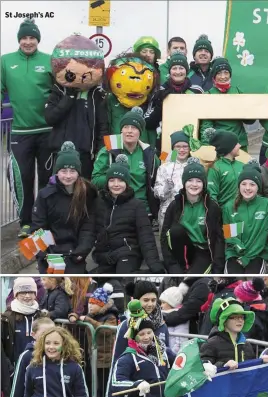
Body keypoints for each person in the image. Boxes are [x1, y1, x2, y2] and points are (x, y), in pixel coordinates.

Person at [2, 19, 53, 238]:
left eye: (32, 38)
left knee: (47, 177)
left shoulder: (49, 60)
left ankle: (43, 221)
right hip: (20, 132)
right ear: (19, 40)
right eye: (24, 38)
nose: (28, 42)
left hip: (47, 130)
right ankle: (25, 222)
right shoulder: (5, 61)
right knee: (21, 177)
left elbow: (60, 90)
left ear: (38, 40)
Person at [88, 154, 165, 273]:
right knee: (98, 282)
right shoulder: (99, 203)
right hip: (105, 255)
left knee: (121, 280)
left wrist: (155, 265)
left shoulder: (137, 205)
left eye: (120, 180)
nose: (116, 184)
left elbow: (146, 237)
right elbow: (90, 231)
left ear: (127, 183)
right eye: (112, 180)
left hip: (128, 253)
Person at [44, 41, 108, 180]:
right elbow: (50, 118)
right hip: (61, 153)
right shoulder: (58, 91)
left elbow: (103, 127)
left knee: (84, 192)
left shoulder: (97, 95)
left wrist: (101, 152)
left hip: (86, 154)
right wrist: (69, 97)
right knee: (61, 192)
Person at [31, 142, 96, 273]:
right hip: (51, 252)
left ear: (78, 173)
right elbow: (38, 227)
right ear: (57, 172)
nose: (67, 176)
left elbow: (88, 227)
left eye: (72, 171)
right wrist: (45, 255)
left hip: (74, 252)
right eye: (63, 171)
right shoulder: (45, 195)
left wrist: (82, 250)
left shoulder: (86, 193)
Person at [160, 157, 225, 274]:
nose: (194, 185)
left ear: (204, 183)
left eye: (199, 181)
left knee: (190, 281)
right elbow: (164, 237)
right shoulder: (175, 205)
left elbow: (219, 239)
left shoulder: (212, 207)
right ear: (184, 182)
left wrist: (218, 267)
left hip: (203, 251)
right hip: (181, 251)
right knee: (175, 231)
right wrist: (171, 264)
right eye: (190, 180)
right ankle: (182, 268)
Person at [91, 107, 160, 217]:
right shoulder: (109, 150)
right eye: (125, 127)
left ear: (140, 132)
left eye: (134, 127)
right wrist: (114, 176)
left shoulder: (149, 154)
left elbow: (156, 183)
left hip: (143, 210)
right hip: (115, 207)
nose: (129, 131)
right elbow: (95, 180)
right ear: (121, 130)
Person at [223, 160, 268, 274]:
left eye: (252, 184)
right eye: (244, 184)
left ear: (258, 187)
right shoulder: (229, 206)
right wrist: (240, 251)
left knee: (252, 282)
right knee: (232, 282)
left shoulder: (265, 204)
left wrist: (247, 257)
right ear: (239, 185)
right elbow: (230, 235)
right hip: (235, 252)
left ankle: (265, 266)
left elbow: (261, 236)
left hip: (257, 253)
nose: (247, 188)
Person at [76, 285, 119, 397]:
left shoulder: (110, 316)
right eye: (89, 303)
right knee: (95, 384)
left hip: (105, 358)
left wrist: (88, 320)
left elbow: (107, 330)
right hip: (94, 356)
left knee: (103, 385)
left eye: (94, 304)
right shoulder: (92, 315)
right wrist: (74, 316)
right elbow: (79, 317)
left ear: (102, 305)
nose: (90, 306)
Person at [143, 52, 204, 139]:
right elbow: (147, 122)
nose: (178, 72)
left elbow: (203, 115)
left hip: (191, 139)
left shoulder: (197, 90)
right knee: (164, 153)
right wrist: (159, 106)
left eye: (181, 68)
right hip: (165, 141)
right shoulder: (160, 91)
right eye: (174, 68)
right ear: (170, 71)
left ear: (186, 70)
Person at [200, 58, 254, 154]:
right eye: (219, 73)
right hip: (219, 144)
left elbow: (249, 120)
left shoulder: (238, 91)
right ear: (214, 76)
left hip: (239, 142)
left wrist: (251, 113)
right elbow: (206, 124)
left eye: (226, 73)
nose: (223, 76)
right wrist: (206, 146)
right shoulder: (208, 95)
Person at [153, 128, 194, 226]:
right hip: (167, 214)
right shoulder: (164, 168)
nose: (182, 150)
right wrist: (167, 188)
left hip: (190, 214)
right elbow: (157, 194)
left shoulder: (195, 167)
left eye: (185, 146)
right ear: (173, 148)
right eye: (178, 146)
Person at [200, 298, 255, 367]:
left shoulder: (247, 345)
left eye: (242, 317)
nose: (240, 320)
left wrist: (263, 362)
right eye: (235, 317)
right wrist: (223, 365)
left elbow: (252, 370)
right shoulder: (211, 344)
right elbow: (203, 369)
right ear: (224, 320)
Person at [1, 278, 42, 366]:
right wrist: (9, 369)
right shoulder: (7, 318)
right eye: (23, 292)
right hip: (15, 368)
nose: (27, 296)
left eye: (31, 292)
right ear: (16, 295)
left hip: (37, 367)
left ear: (35, 294)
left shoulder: (41, 316)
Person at [204, 127, 245, 208]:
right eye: (236, 143)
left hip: (241, 213)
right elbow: (212, 195)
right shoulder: (215, 168)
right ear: (228, 147)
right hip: (223, 214)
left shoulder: (242, 166)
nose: (240, 145)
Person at [159, 286, 187, 355]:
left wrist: (171, 355)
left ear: (172, 303)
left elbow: (180, 342)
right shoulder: (161, 315)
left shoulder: (179, 319)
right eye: (161, 302)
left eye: (163, 302)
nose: (161, 306)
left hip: (172, 355)